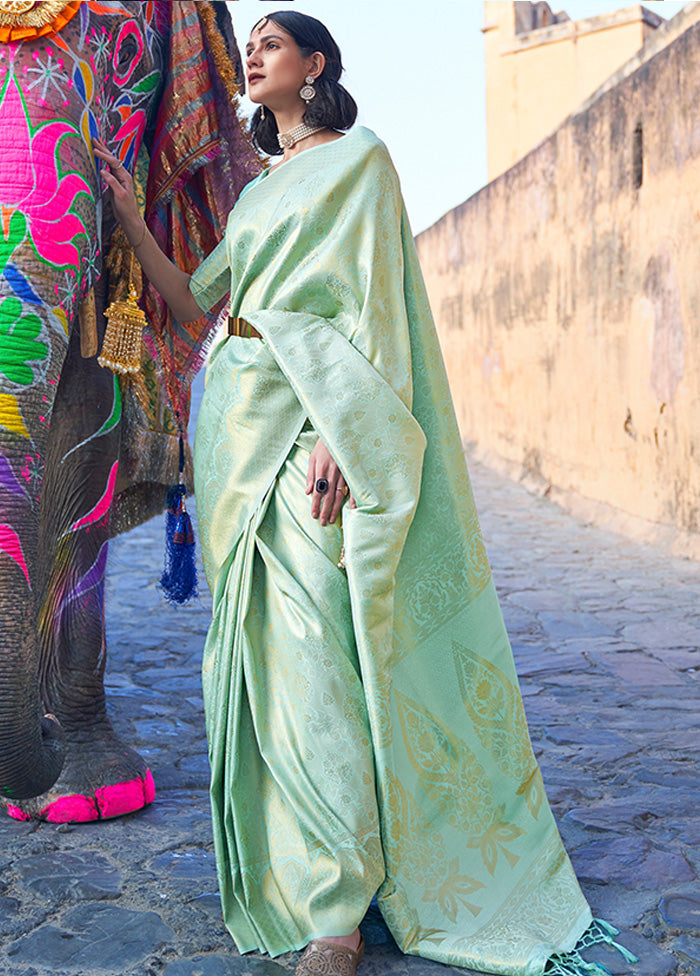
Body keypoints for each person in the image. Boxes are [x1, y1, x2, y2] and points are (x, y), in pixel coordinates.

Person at [93, 11, 635, 976]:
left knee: (317, 661)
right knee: (267, 667)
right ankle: (309, 876)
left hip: (315, 429)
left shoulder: (361, 162)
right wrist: (126, 212)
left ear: (318, 65)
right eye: (249, 43)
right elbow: (194, 301)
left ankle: (338, 914)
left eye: (273, 42)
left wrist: (353, 429)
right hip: (234, 435)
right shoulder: (260, 192)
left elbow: (377, 303)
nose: (253, 55)